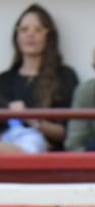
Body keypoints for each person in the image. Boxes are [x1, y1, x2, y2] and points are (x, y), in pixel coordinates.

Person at [0, 4, 76, 150]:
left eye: (38, 29)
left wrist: (30, 118)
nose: (30, 34)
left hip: (46, 158)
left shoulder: (64, 76)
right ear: (17, 36)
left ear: (49, 36)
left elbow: (67, 132)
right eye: (24, 29)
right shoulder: (4, 80)